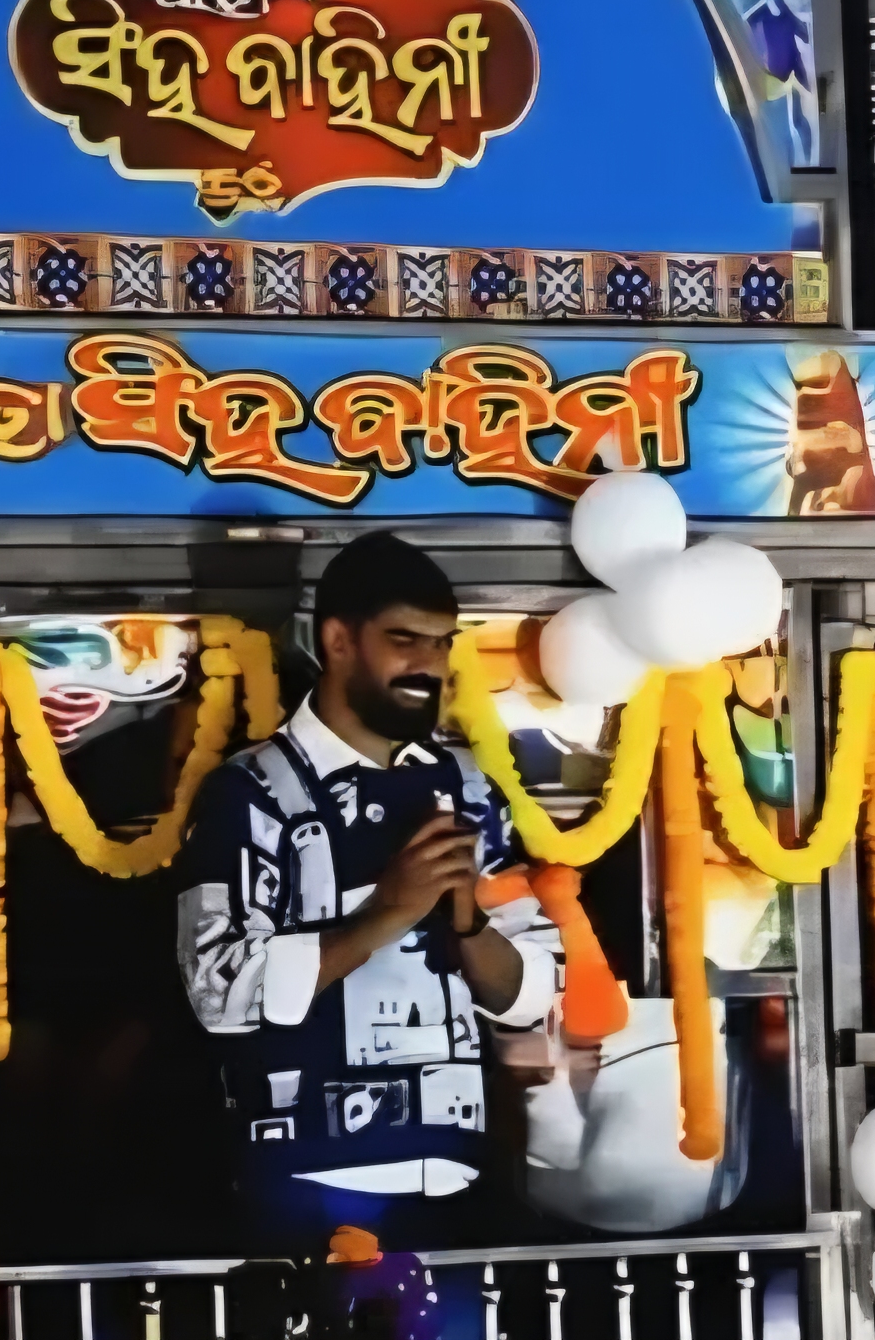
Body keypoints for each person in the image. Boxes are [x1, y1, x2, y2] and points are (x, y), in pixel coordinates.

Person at [174, 531, 556, 1258]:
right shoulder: (249, 792)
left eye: (442, 644)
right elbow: (218, 991)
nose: (428, 666)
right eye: (404, 640)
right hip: (306, 1186)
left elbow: (535, 992)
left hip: (460, 1182)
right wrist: (387, 912)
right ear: (338, 641)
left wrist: (469, 925)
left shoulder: (473, 788)